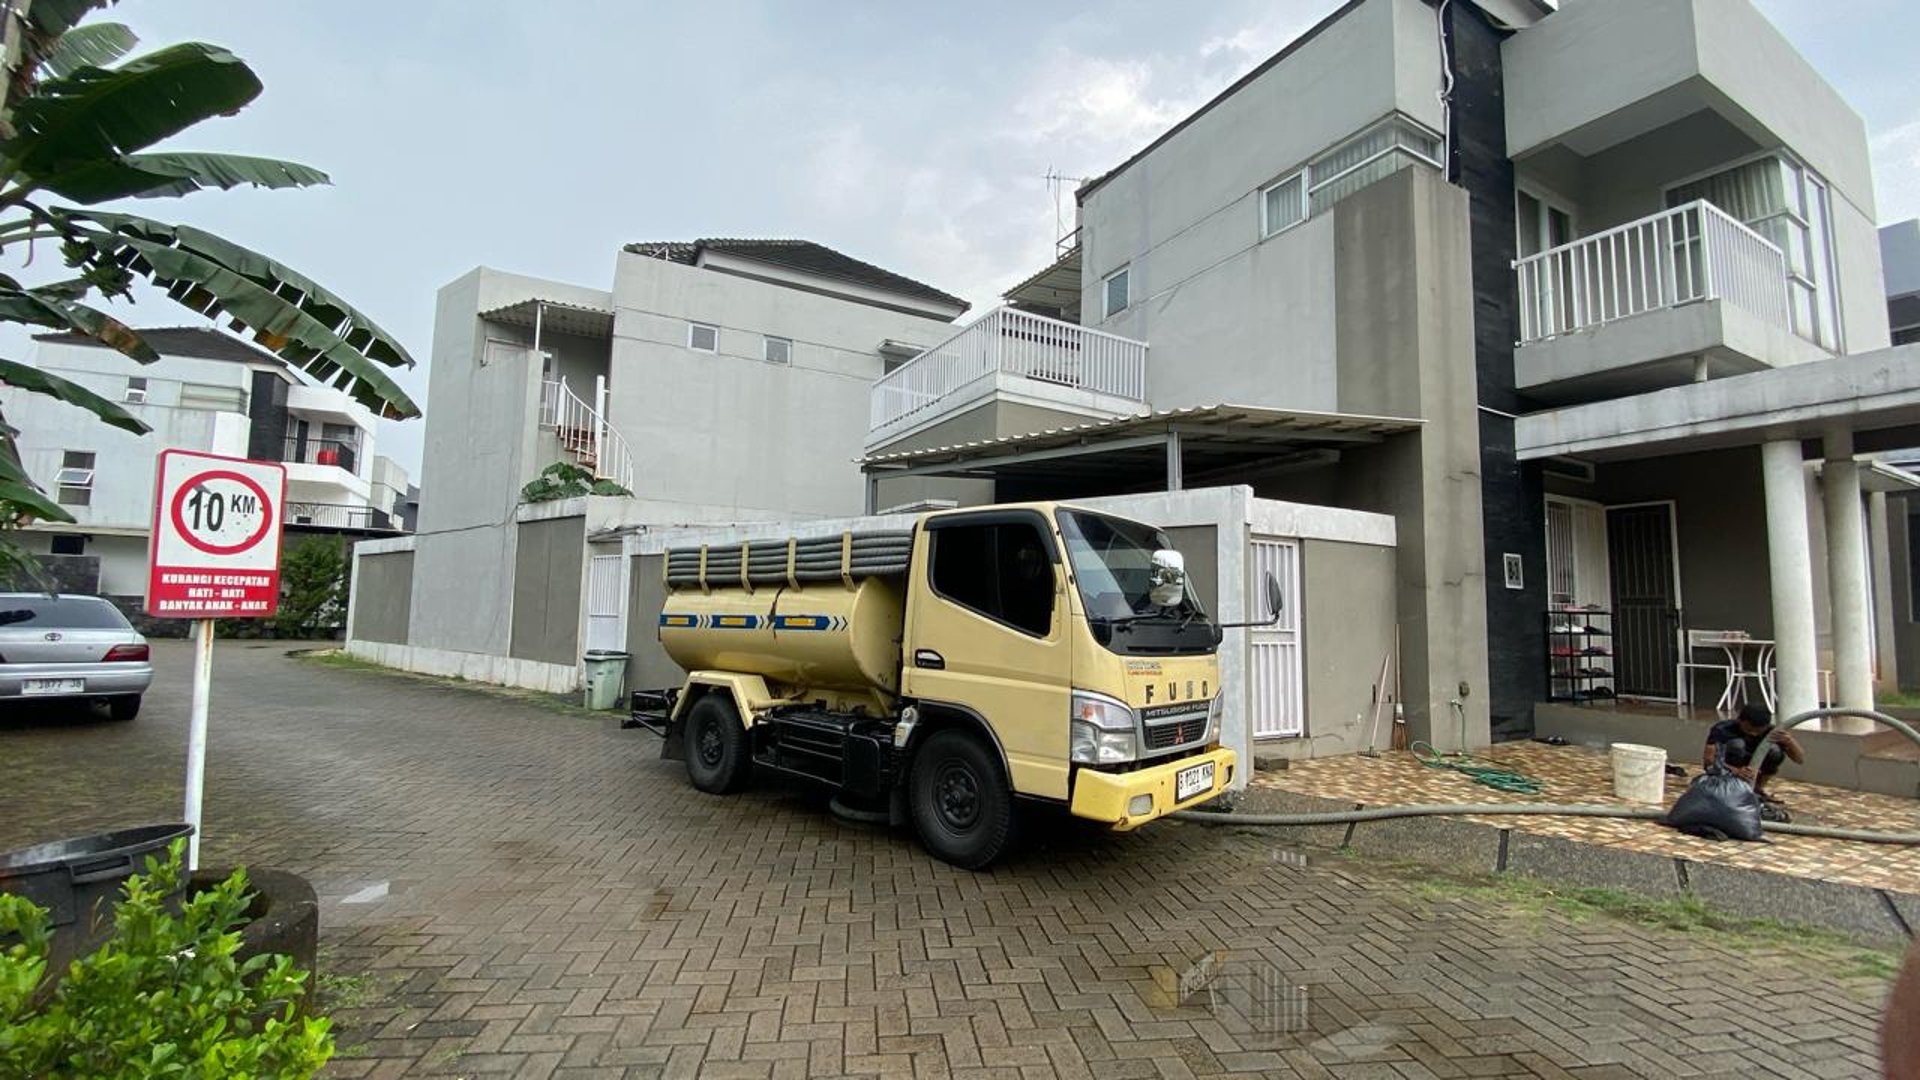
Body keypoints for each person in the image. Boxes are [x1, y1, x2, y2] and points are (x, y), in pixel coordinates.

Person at [1703, 703, 1803, 805]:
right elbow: (1708, 761)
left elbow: (1799, 759)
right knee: (1737, 745)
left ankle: (1757, 789)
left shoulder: (1772, 732)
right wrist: (1735, 771)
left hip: (1755, 771)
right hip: (1729, 770)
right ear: (1740, 721)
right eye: (1749, 730)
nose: (1753, 734)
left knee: (1774, 751)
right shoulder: (1723, 729)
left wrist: (1789, 742)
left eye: (1758, 731)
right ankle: (1731, 788)